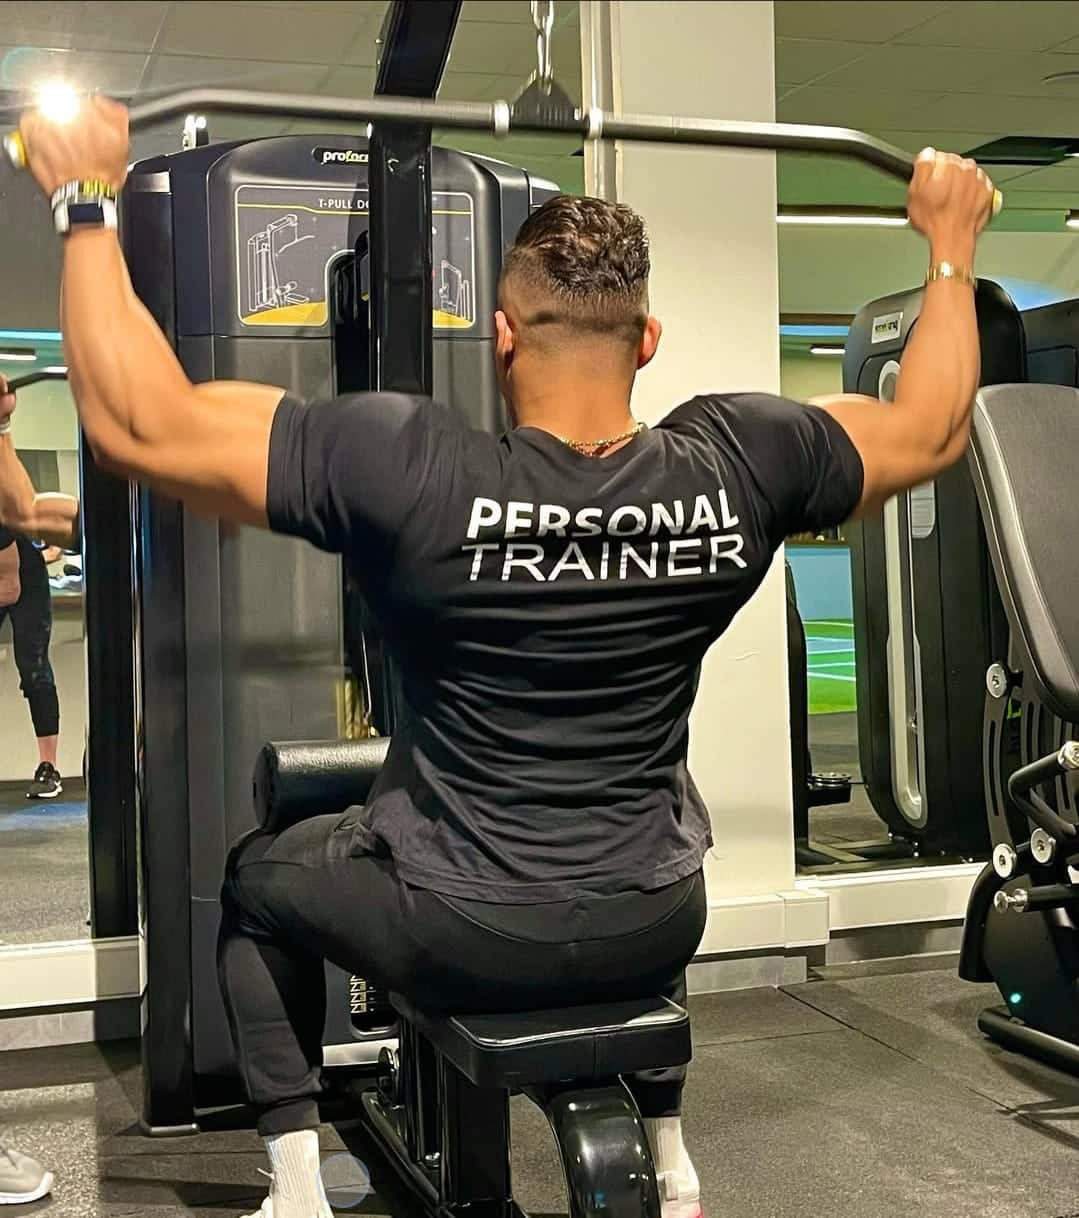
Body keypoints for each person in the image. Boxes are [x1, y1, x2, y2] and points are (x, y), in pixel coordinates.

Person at [15, 96, 995, 1218]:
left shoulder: (411, 466)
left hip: (458, 925)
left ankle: (295, 1184)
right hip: (656, 918)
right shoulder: (739, 461)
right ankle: (668, 1150)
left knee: (256, 877)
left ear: (500, 336)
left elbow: (139, 423)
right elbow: (931, 424)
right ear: (647, 340)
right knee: (645, 825)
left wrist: (85, 198)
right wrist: (949, 248)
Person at [0, 378, 78, 799]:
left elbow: (10, 586)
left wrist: (2, 424)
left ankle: (49, 767)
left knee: (33, 667)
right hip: (14, 561)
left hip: (18, 575)